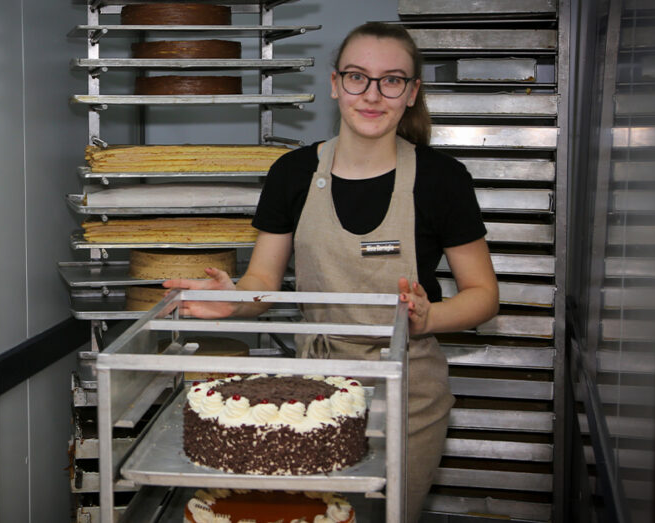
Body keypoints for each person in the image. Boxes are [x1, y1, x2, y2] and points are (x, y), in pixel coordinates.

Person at [163, 21, 499, 521]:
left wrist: (429, 318)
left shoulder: (441, 179)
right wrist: (236, 300)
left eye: (392, 80)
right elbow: (263, 282)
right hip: (312, 391)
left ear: (412, 93)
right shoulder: (292, 174)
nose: (372, 94)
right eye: (358, 77)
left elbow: (483, 294)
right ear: (335, 83)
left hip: (409, 393)